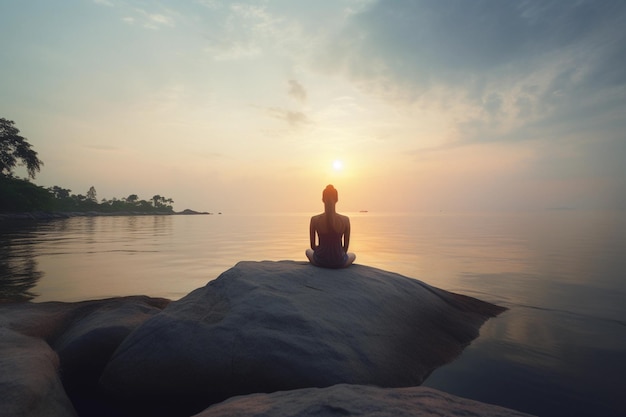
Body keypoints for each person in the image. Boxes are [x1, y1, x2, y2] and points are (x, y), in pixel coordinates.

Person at [306, 184, 356, 268]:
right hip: (339, 261)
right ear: (337, 199)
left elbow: (312, 246)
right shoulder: (345, 220)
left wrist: (322, 249)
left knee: (308, 251)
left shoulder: (314, 219)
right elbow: (346, 248)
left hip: (320, 261)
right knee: (353, 255)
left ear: (322, 199)